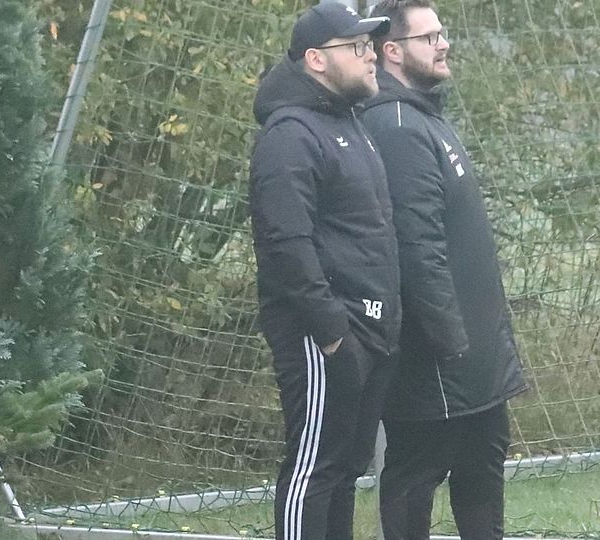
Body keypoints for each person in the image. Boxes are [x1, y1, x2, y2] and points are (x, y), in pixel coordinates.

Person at [359, 1, 528, 538]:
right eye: (428, 37)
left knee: (482, 460)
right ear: (392, 51)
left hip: (474, 350)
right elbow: (416, 246)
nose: (443, 43)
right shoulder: (396, 124)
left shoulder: (425, 115)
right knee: (417, 469)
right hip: (437, 354)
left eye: (441, 33)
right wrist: (448, 339)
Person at [248, 4, 400, 539]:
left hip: (372, 330)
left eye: (370, 47)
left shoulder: (348, 123)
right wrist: (332, 332)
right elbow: (286, 243)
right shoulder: (290, 134)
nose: (369, 57)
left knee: (344, 470)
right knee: (314, 468)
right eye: (355, 48)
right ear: (315, 59)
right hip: (325, 335)